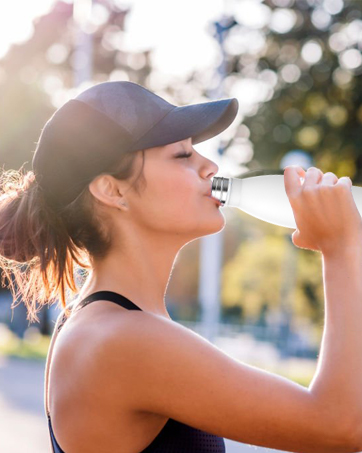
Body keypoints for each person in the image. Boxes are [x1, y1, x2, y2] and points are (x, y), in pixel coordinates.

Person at [0, 81, 362, 453]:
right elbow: (339, 427)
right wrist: (340, 250)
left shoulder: (105, 322)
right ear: (112, 190)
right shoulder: (121, 340)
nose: (211, 166)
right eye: (182, 155)